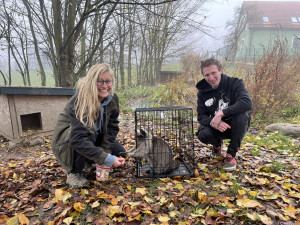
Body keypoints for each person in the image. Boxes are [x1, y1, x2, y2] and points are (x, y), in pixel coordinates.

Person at [51, 63, 126, 187]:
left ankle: (90, 161)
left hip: (93, 136)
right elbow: (78, 140)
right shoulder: (80, 101)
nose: (104, 86)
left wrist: (105, 157)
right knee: (86, 137)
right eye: (99, 81)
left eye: (108, 81)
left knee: (119, 152)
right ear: (91, 81)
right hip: (66, 142)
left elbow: (112, 128)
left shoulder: (112, 99)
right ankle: (74, 172)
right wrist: (107, 159)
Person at [196, 58, 252, 171]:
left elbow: (247, 103)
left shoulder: (235, 83)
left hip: (235, 126)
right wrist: (214, 123)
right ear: (203, 76)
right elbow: (201, 116)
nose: (211, 78)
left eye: (213, 73)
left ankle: (231, 154)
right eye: (207, 75)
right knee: (202, 133)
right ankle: (217, 144)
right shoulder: (202, 93)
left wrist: (221, 113)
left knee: (243, 115)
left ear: (221, 70)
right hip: (217, 127)